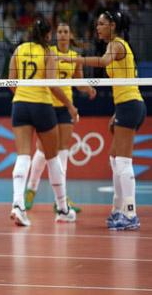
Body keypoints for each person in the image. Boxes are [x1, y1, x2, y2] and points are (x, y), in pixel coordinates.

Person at [59, 11, 146, 230]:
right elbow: (127, 80)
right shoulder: (116, 45)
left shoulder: (116, 45)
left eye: (102, 24)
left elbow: (102, 62)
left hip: (130, 105)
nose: (97, 27)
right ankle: (118, 210)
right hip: (126, 106)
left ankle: (130, 213)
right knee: (114, 158)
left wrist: (73, 58)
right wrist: (117, 114)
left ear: (113, 26)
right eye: (97, 24)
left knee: (123, 162)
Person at [8, 17, 78, 227]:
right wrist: (69, 105)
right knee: (52, 157)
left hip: (20, 104)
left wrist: (23, 93)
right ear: (48, 35)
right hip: (42, 106)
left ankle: (18, 205)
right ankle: (63, 209)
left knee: (23, 155)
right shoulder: (49, 53)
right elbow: (52, 84)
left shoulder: (19, 50)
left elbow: (11, 81)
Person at [25, 22, 97, 212]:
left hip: (65, 109)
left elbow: (78, 83)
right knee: (42, 150)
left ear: (70, 35)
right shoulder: (49, 53)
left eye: (66, 32)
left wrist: (87, 88)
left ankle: (61, 200)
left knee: (63, 151)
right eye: (60, 32)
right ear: (55, 35)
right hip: (48, 104)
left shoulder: (75, 57)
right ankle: (31, 189)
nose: (63, 35)